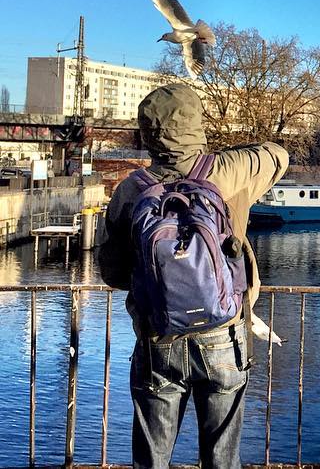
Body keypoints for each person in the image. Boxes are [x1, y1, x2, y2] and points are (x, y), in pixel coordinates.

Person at [98, 83, 289, 469]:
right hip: (224, 333)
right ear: (196, 124)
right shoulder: (226, 171)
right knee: (221, 457)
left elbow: (113, 273)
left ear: (146, 132)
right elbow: (279, 155)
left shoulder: (130, 190)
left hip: (157, 336)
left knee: (152, 459)